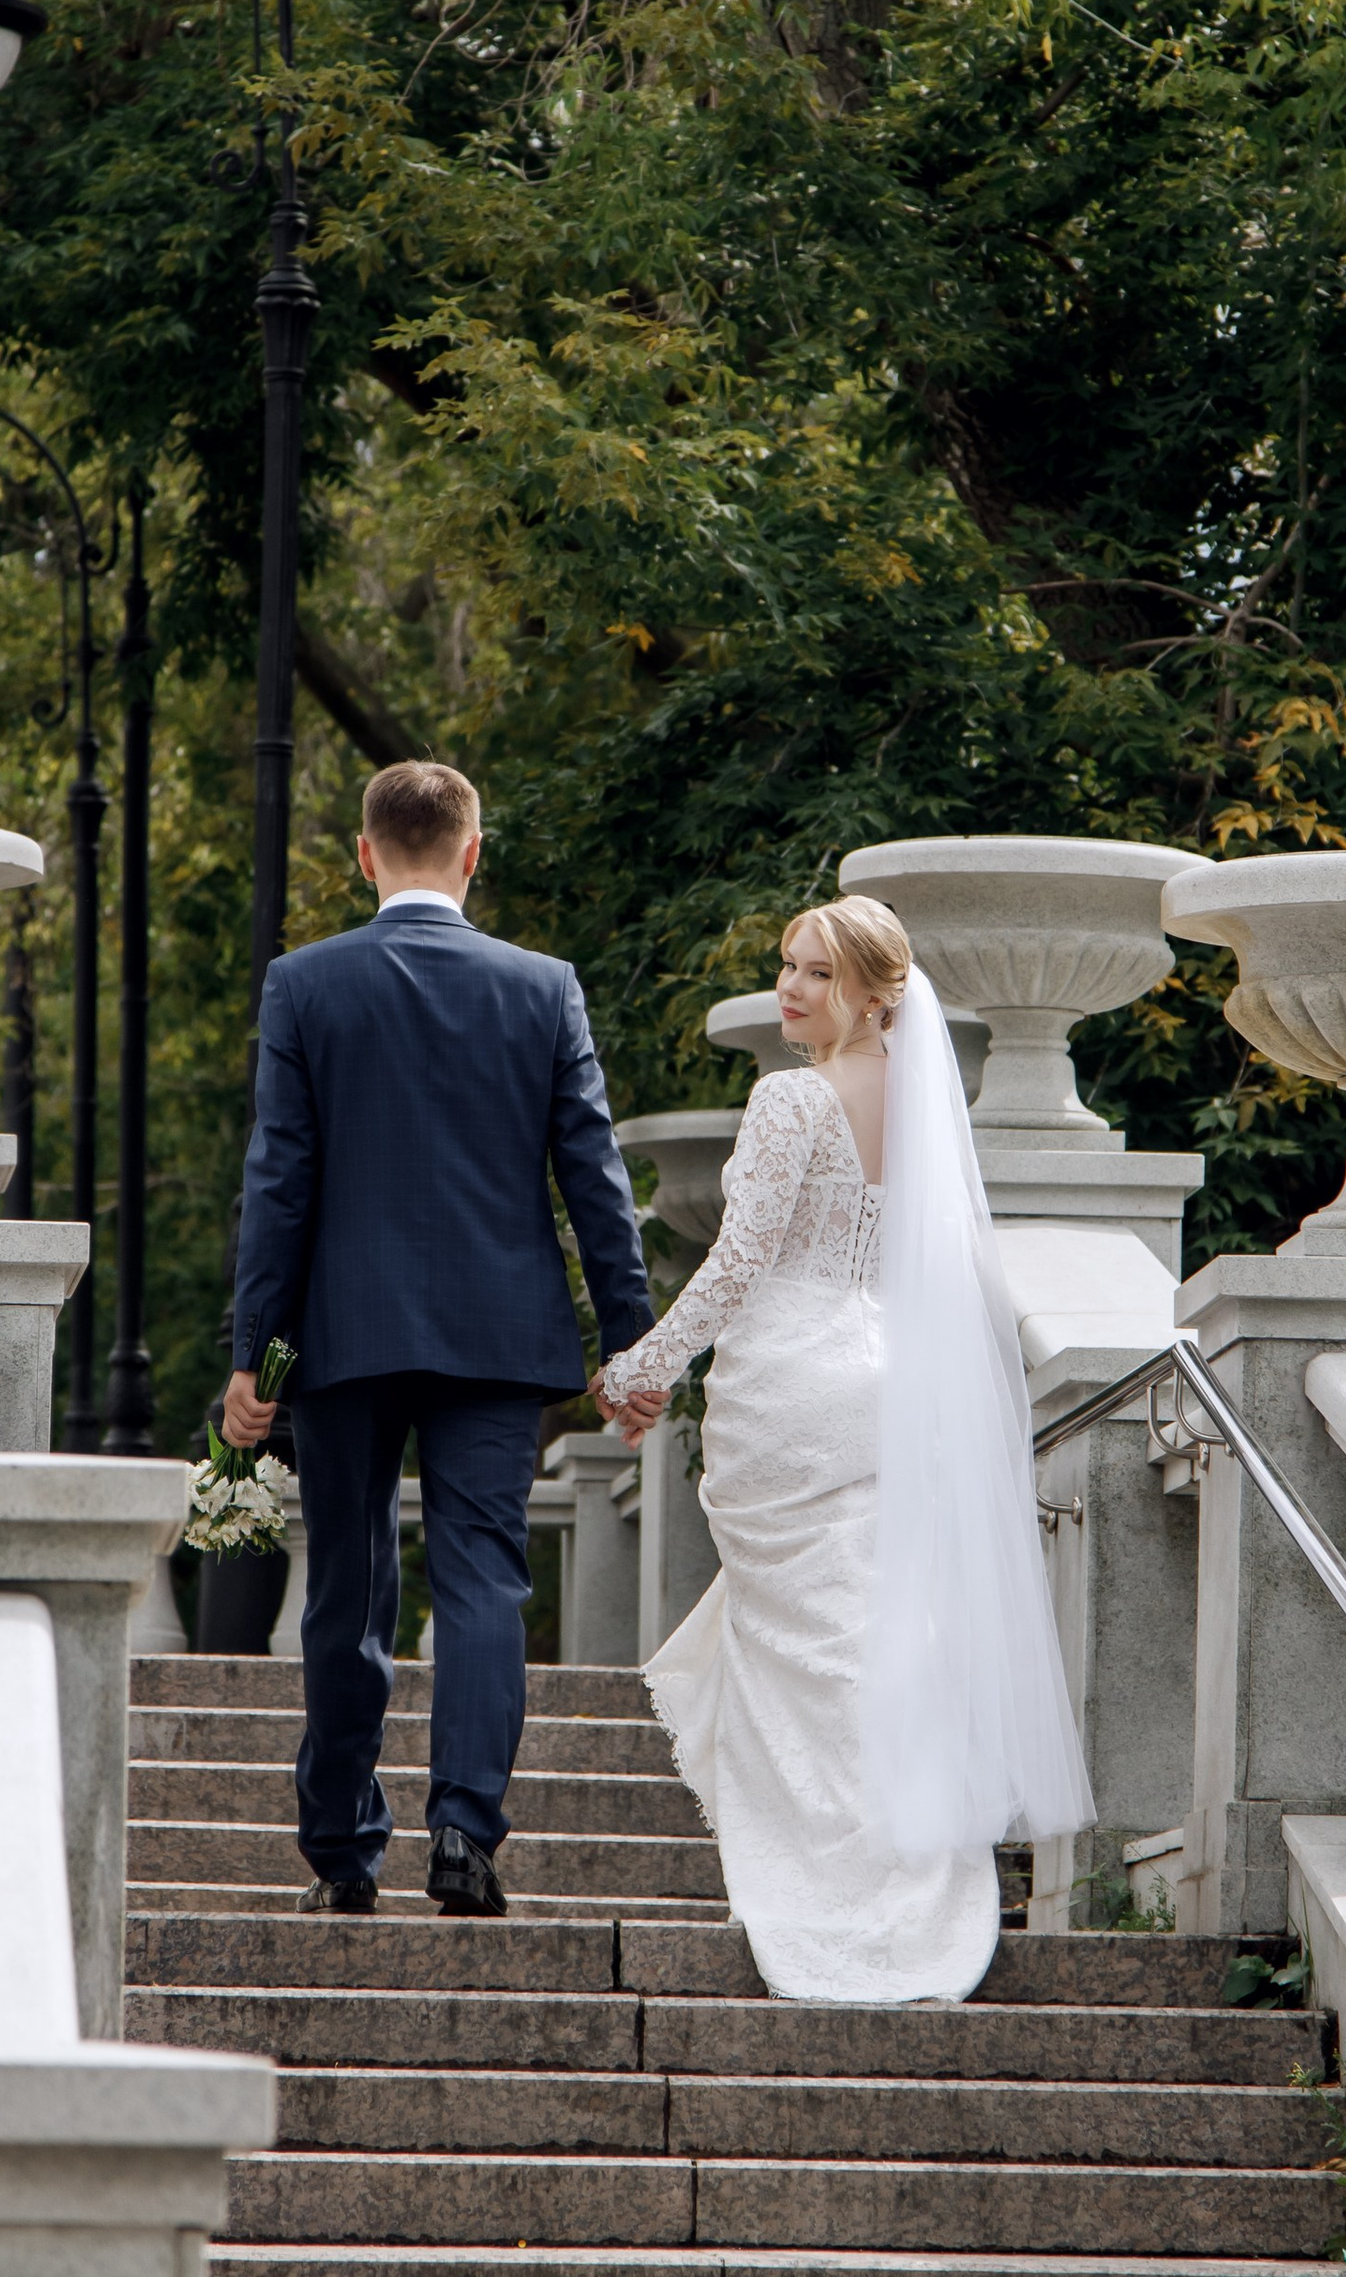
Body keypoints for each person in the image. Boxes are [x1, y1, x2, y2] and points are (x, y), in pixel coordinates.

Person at [596, 894, 1092, 2003]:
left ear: (874, 994)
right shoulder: (920, 1111)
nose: (791, 989)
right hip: (888, 1382)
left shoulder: (788, 1100)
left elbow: (736, 1266)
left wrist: (643, 1365)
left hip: (792, 1387)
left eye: (817, 975)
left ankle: (825, 1879)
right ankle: (908, 1868)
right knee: (867, 1628)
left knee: (807, 1638)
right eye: (787, 966)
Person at [226, 761, 653, 1914]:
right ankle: (464, 1833)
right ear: (473, 852)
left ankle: (343, 1853)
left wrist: (250, 1353)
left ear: (365, 854)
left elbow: (278, 1184)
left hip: (342, 1332)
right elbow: (593, 1181)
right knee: (481, 1585)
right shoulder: (542, 988)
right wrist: (632, 1342)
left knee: (345, 1590)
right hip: (497, 1334)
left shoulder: (303, 986)